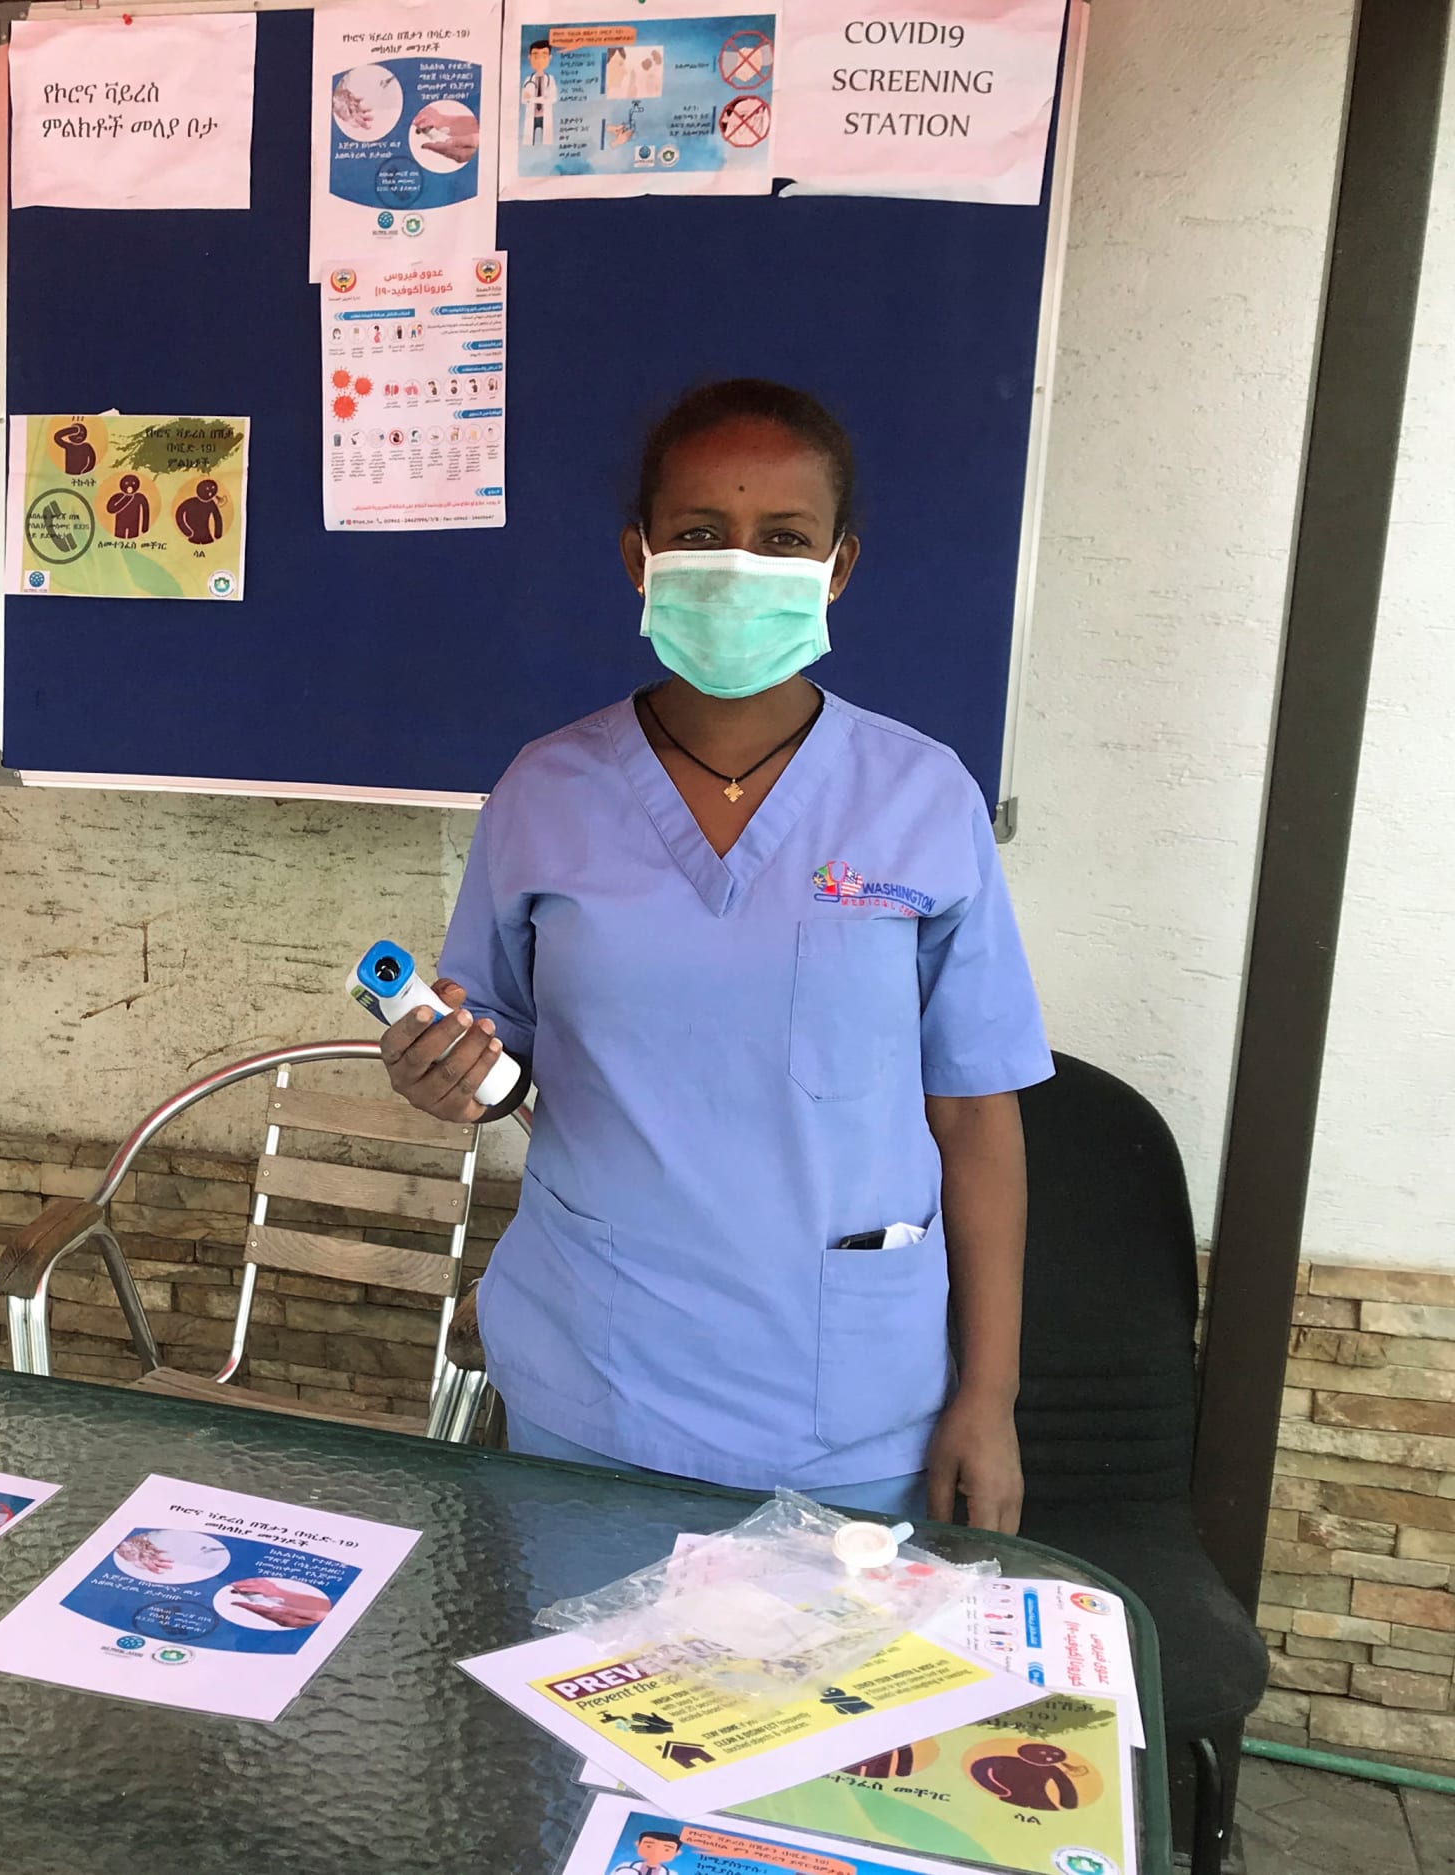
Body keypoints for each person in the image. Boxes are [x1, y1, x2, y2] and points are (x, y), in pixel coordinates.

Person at [383, 379, 1050, 1530]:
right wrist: (444, 1075)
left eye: (781, 539)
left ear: (837, 566)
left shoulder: (921, 798)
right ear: (639, 556)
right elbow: (496, 1056)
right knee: (581, 1696)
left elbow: (976, 1116)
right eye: (698, 534)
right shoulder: (544, 791)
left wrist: (987, 1396)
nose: (737, 565)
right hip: (594, 1379)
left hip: (847, 1401)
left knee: (828, 1701)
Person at [521, 40, 558, 146]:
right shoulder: (528, 79)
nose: (540, 61)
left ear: (550, 58)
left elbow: (553, 99)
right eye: (535, 56)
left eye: (544, 56)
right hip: (531, 116)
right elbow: (524, 100)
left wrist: (532, 99)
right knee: (528, 143)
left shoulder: (550, 79)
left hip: (545, 115)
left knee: (546, 144)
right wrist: (543, 99)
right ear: (529, 57)